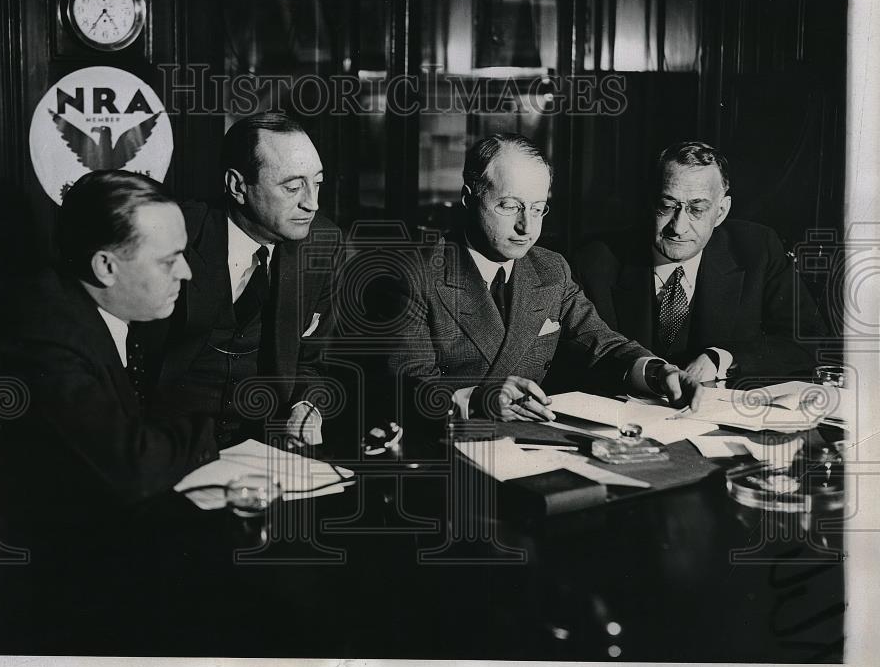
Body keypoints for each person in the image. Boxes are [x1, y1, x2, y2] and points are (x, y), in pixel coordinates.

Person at [386, 133, 703, 427]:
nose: (526, 226)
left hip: (533, 443)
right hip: (448, 445)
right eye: (510, 206)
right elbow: (405, 388)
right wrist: (479, 399)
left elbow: (600, 344)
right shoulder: (416, 275)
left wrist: (657, 372)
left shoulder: (550, 269)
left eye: (537, 209)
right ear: (469, 198)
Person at [0, 170, 217, 516]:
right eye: (168, 261)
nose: (186, 273)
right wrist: (204, 434)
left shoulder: (103, 307)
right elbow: (133, 468)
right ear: (105, 266)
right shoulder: (46, 338)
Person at [141, 112, 342, 449]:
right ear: (238, 186)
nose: (312, 203)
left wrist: (306, 405)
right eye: (293, 187)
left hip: (264, 447)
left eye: (317, 182)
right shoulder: (176, 233)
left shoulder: (322, 244)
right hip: (164, 442)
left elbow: (314, 359)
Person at [573, 141, 827, 381]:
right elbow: (573, 356)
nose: (678, 227)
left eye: (697, 209)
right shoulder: (595, 262)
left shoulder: (758, 250)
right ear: (650, 203)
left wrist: (722, 359)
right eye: (666, 205)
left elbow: (808, 339)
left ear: (721, 211)